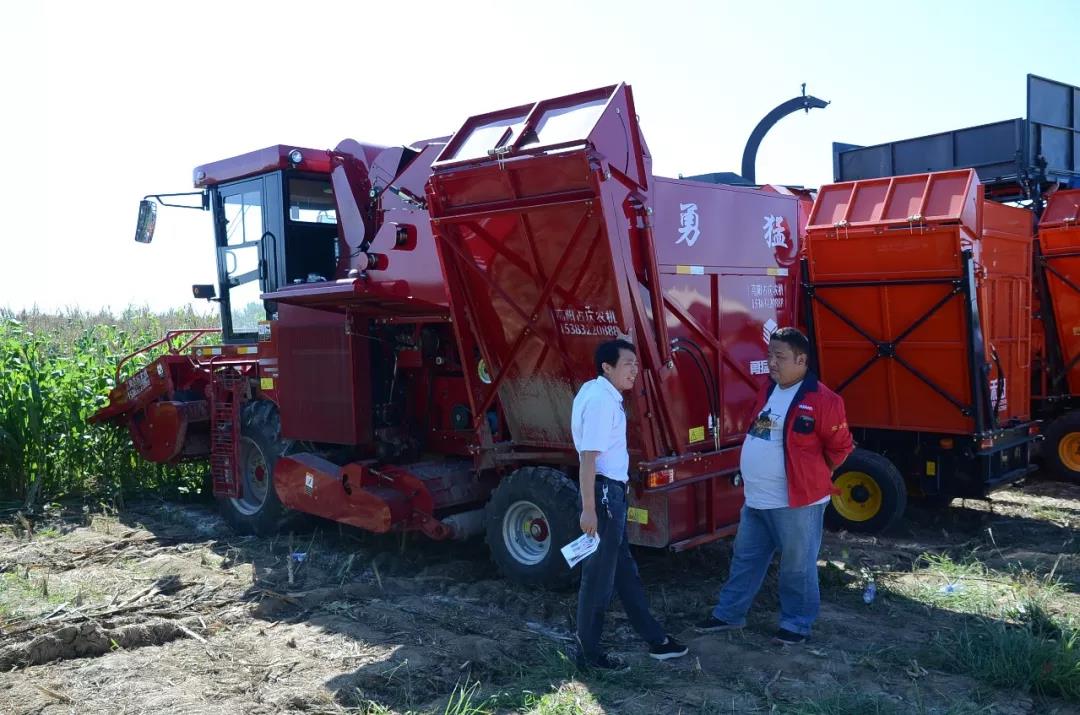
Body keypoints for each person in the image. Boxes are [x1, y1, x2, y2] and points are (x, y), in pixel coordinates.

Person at [697, 327, 853, 644]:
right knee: (745, 559)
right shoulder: (767, 390)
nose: (771, 362)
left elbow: (840, 448)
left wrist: (815, 476)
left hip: (796, 503)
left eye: (779, 356)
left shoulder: (824, 401)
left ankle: (796, 624)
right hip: (757, 499)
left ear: (801, 360)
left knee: (797, 566)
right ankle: (729, 615)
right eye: (769, 355)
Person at [571, 338, 688, 671]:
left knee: (624, 573)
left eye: (636, 364)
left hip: (611, 496)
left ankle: (657, 641)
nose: (635, 371)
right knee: (597, 579)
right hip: (605, 498)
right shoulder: (600, 401)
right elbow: (587, 459)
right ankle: (588, 656)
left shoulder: (600, 393)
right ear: (606, 368)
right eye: (627, 364)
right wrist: (589, 508)